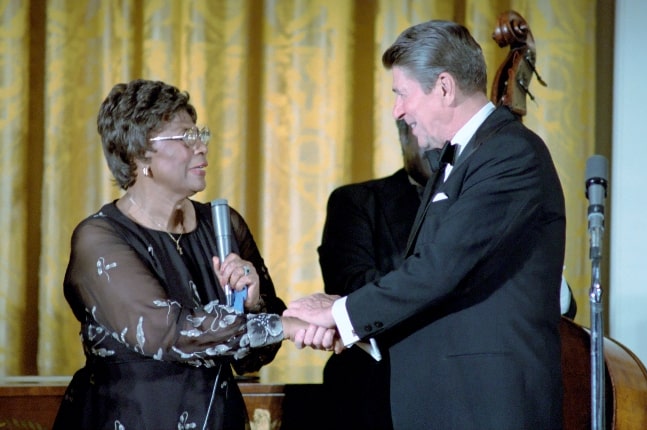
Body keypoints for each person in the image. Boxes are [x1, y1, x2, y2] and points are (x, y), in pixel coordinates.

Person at [285, 20, 566, 430]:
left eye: (401, 93)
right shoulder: (459, 160)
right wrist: (355, 329)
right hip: (451, 403)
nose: (398, 110)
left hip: (486, 408)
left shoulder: (509, 154)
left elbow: (439, 270)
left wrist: (341, 313)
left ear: (445, 87)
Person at [53, 79, 335, 429]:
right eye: (185, 137)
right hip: (130, 418)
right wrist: (287, 325)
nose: (201, 146)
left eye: (200, 134)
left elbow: (255, 359)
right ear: (140, 153)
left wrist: (254, 303)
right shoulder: (98, 238)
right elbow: (170, 333)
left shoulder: (225, 225)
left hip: (217, 418)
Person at [317, 119, 431, 430]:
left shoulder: (481, 207)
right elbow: (354, 290)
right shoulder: (356, 201)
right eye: (424, 130)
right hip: (377, 394)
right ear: (403, 134)